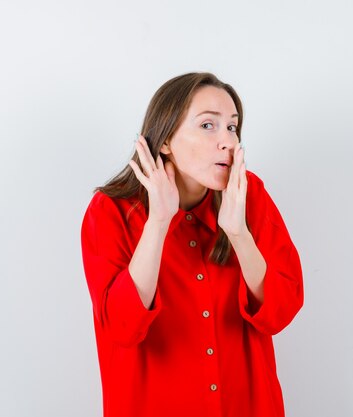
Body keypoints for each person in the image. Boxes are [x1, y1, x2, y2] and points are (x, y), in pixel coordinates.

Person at [80, 72, 304, 417]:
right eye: (208, 126)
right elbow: (122, 328)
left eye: (232, 127)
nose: (228, 142)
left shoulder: (250, 195)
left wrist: (240, 235)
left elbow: (282, 310)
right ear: (166, 138)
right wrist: (157, 223)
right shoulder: (111, 212)